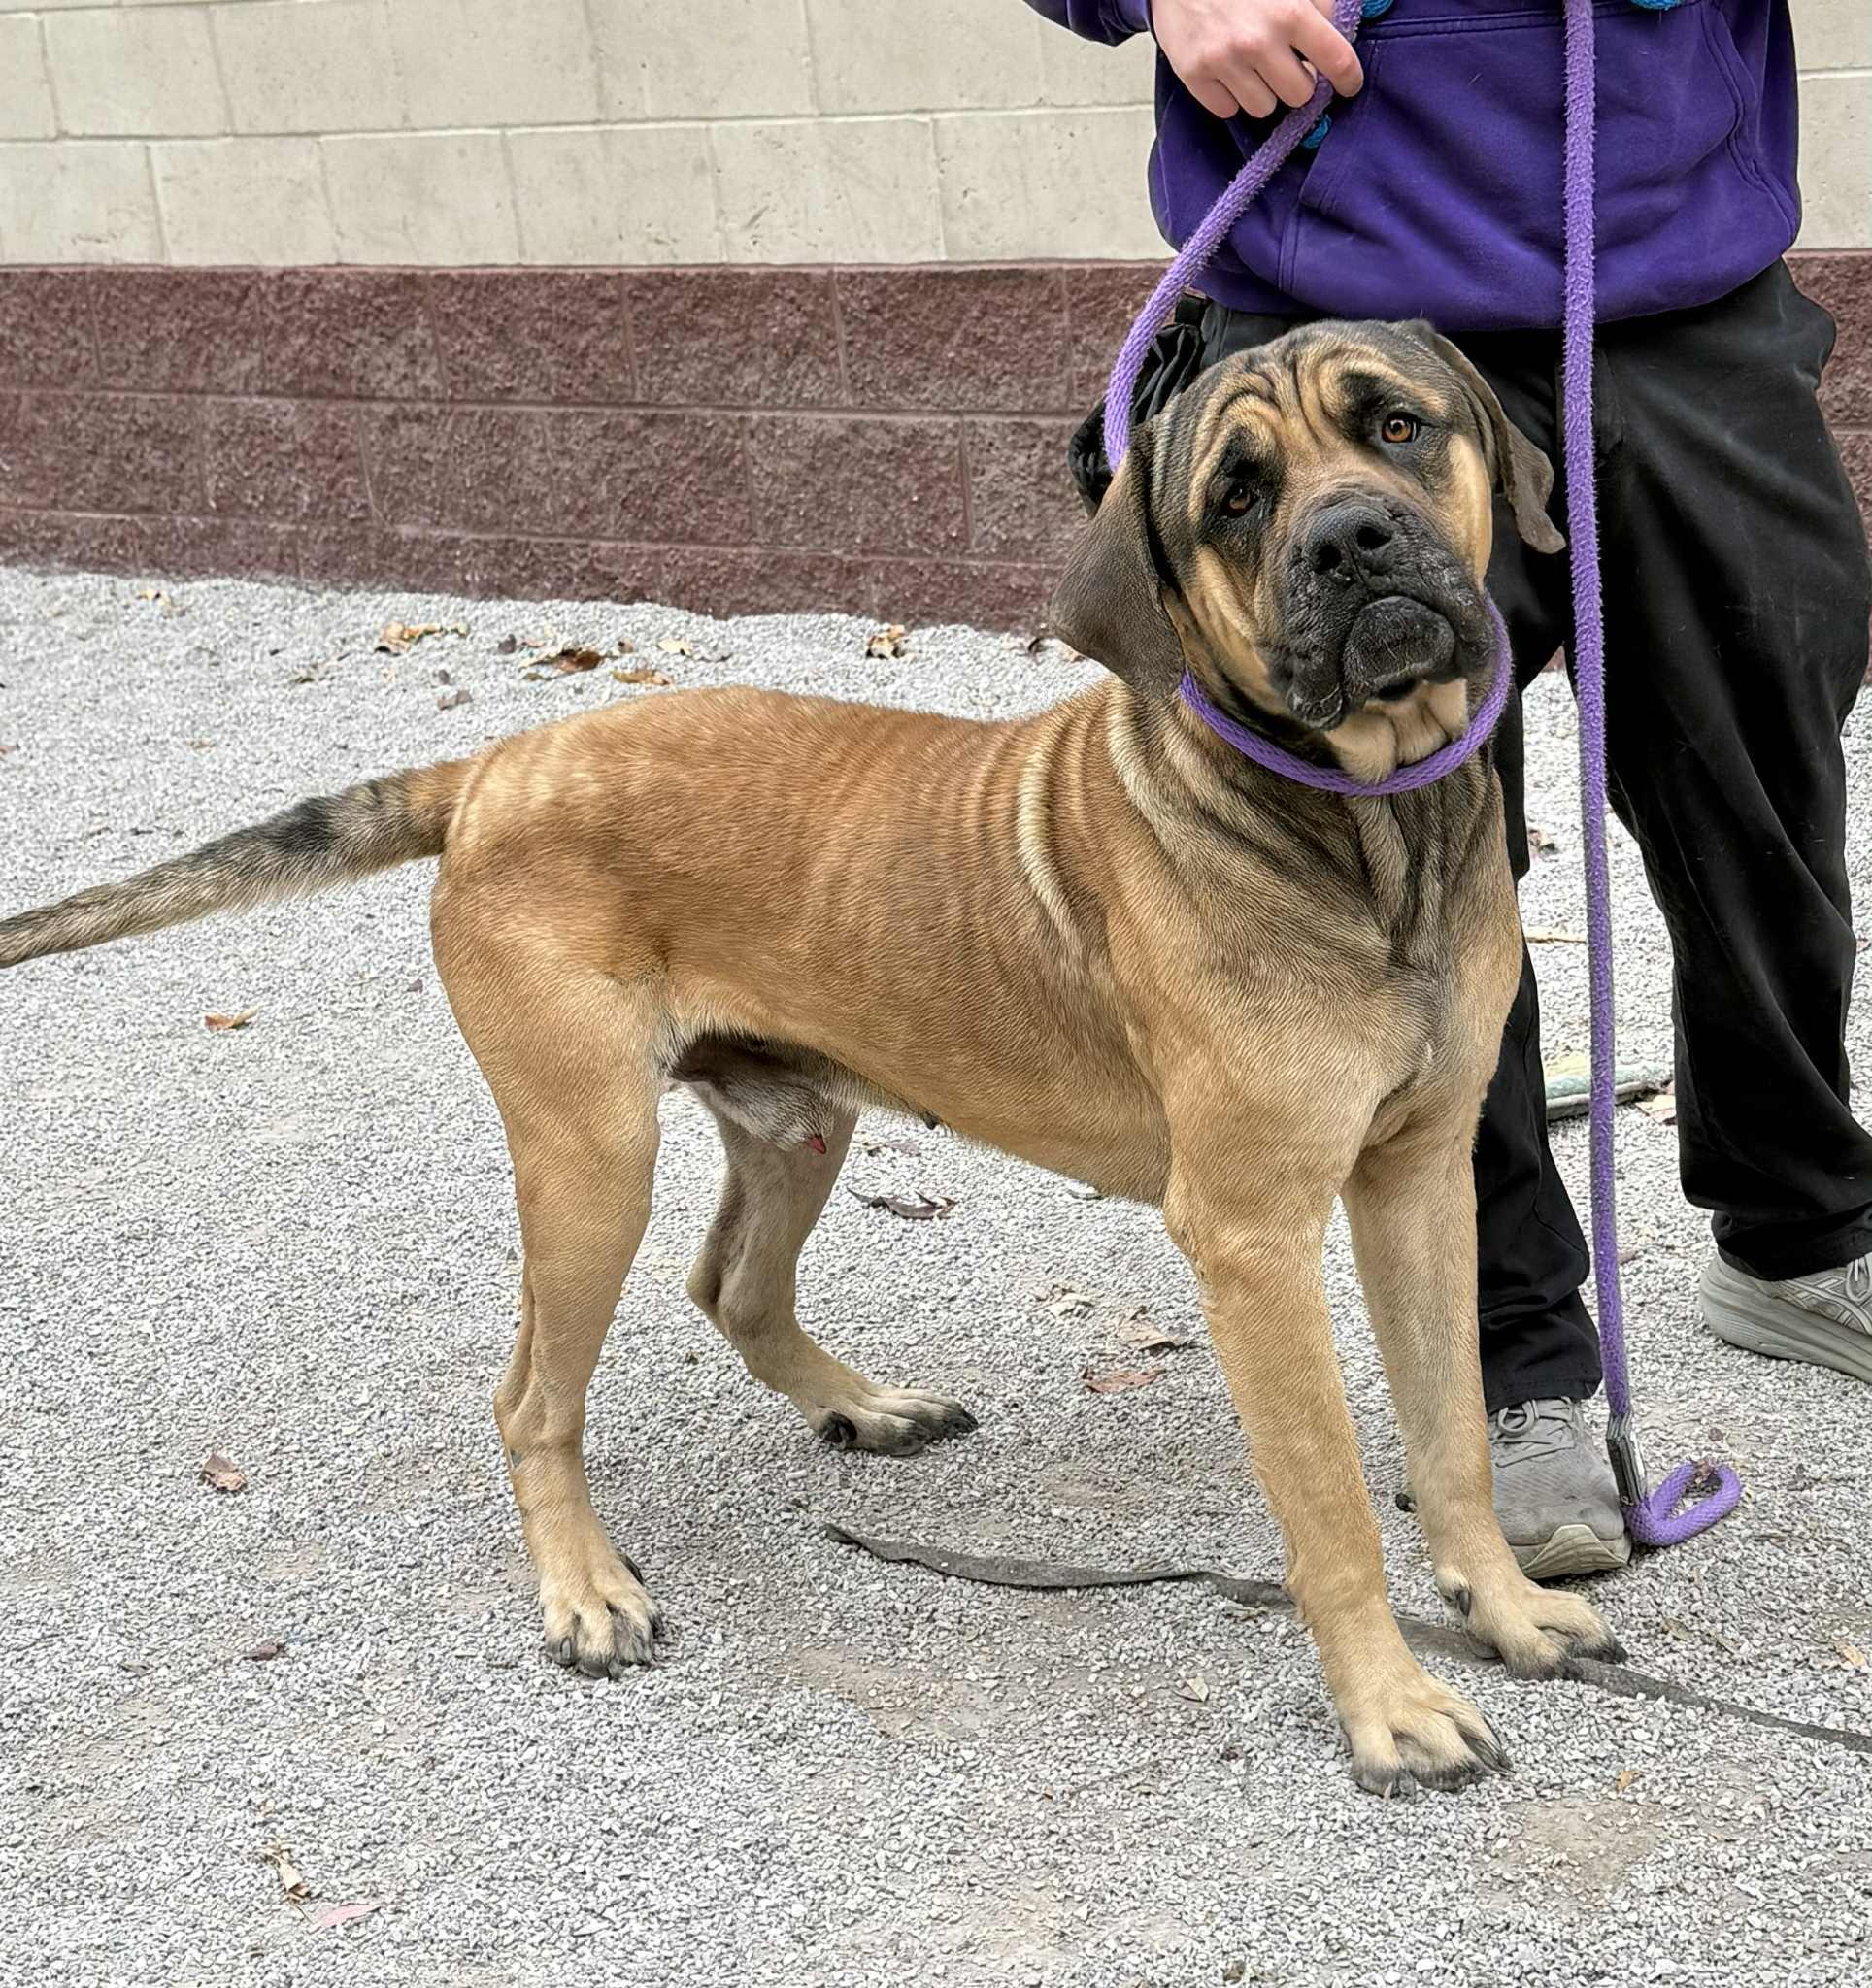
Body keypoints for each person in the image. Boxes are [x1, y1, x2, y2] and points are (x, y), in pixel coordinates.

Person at [1029, 0, 1872, 1575]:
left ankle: (1800, 1225)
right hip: (1341, 310)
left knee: (1769, 796)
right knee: (1388, 867)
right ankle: (1517, 1356)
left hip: (1684, 290)